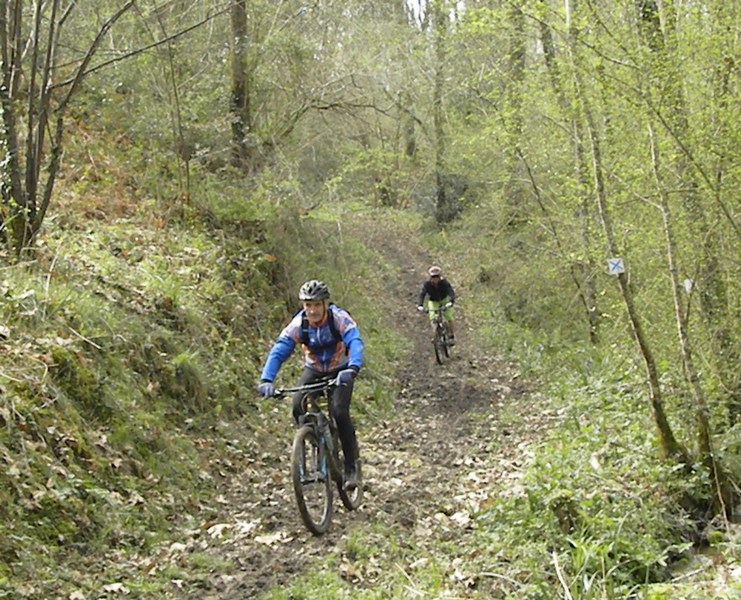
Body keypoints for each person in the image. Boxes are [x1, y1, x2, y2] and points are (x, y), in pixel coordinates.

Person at [257, 280, 364, 489]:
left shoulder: (339, 318)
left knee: (340, 412)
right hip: (314, 368)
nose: (312, 310)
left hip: (341, 369)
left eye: (316, 305)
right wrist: (266, 379)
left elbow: (355, 341)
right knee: (297, 406)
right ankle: (318, 440)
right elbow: (280, 350)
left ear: (326, 304)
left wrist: (353, 368)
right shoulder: (299, 324)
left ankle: (352, 467)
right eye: (308, 305)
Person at [417, 265, 456, 344]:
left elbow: (450, 292)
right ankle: (435, 334)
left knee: (449, 316)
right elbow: (422, 294)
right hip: (433, 301)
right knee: (433, 317)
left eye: (437, 277)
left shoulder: (444, 283)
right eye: (433, 277)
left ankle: (451, 336)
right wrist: (420, 305)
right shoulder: (427, 284)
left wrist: (451, 301)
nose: (435, 279)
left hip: (444, 300)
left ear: (440, 277)